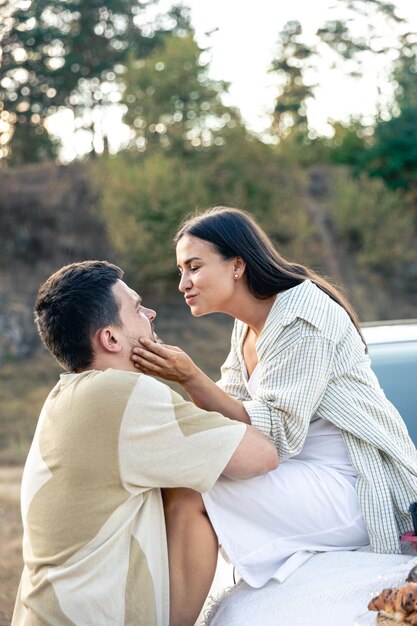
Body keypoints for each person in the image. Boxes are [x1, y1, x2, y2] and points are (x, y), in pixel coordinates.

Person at [132, 206, 417, 589]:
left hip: (353, 485)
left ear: (237, 265)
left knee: (193, 489)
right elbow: (226, 414)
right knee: (185, 478)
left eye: (194, 267)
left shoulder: (302, 316)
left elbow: (274, 437)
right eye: (181, 270)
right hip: (299, 474)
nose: (183, 283)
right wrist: (177, 385)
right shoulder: (248, 326)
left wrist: (190, 376)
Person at [12, 260, 278, 626]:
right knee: (202, 490)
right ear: (111, 338)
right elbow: (262, 455)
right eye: (137, 308)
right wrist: (188, 377)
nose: (150, 313)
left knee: (187, 486)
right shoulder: (120, 394)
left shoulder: (66, 397)